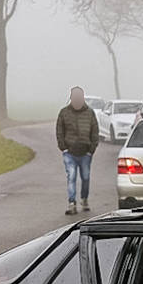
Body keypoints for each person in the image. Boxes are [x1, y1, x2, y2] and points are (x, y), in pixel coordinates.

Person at [53, 86, 100, 214]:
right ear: (71, 98)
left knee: (85, 177)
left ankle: (84, 199)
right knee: (71, 177)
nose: (77, 100)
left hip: (86, 153)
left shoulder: (90, 113)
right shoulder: (64, 113)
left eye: (80, 97)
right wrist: (63, 147)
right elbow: (59, 130)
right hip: (70, 153)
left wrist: (92, 149)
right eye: (75, 97)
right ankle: (71, 203)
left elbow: (95, 131)